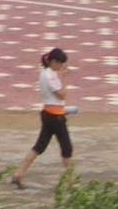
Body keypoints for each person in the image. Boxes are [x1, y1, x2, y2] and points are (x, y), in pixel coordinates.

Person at [11, 47, 73, 189]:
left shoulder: (47, 74)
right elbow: (62, 95)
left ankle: (19, 174)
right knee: (66, 148)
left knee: (39, 147)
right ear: (53, 61)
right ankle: (72, 182)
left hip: (49, 113)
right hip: (55, 117)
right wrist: (66, 80)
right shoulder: (49, 76)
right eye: (60, 63)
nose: (62, 66)